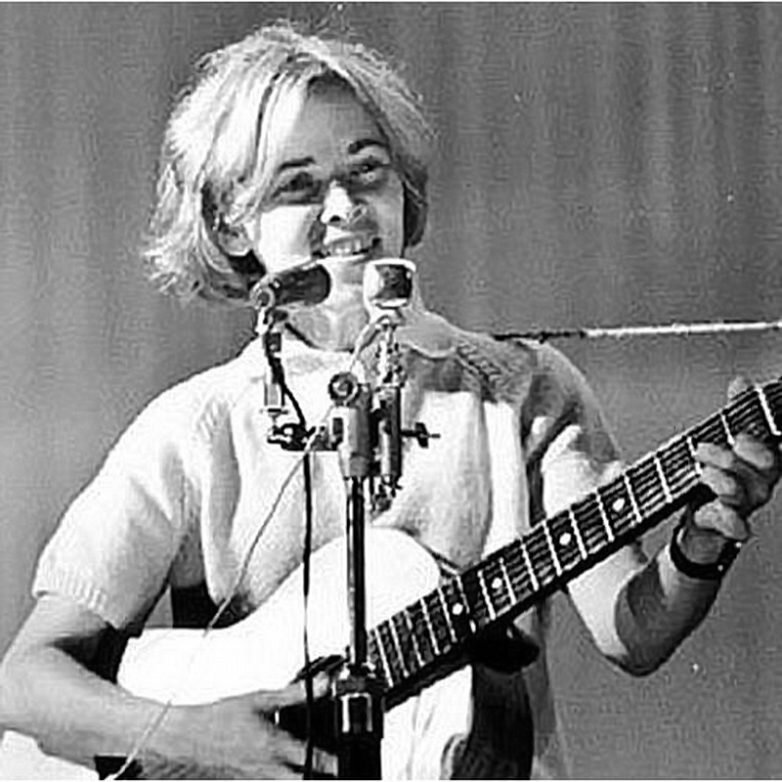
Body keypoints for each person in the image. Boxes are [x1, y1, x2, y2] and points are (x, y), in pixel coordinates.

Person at [0, 21, 779, 780]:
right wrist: (198, 737)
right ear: (232, 226)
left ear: (403, 191)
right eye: (298, 186)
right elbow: (24, 683)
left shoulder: (523, 390)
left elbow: (632, 632)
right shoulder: (196, 427)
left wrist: (701, 545)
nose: (344, 205)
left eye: (367, 170)